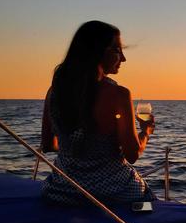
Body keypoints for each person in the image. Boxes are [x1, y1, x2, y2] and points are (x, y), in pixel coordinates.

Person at [39, 20, 156, 205]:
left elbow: (47, 144)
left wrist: (79, 150)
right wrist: (146, 132)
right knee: (149, 203)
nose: (123, 58)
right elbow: (132, 155)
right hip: (113, 193)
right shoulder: (119, 95)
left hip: (63, 191)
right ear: (97, 52)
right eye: (117, 50)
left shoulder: (54, 92)